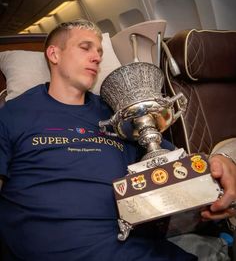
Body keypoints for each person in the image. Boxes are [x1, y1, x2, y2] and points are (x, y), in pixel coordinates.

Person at [0, 19, 235, 261]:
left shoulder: (119, 114)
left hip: (136, 247)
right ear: (54, 54)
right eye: (85, 47)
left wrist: (219, 162)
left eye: (100, 51)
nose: (97, 57)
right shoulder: (15, 113)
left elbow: (175, 162)